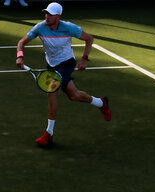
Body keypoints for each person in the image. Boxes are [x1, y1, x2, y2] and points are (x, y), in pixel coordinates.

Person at [15, 2, 111, 147]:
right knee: (74, 95)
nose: (47, 16)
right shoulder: (40, 27)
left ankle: (49, 134)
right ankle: (101, 103)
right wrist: (20, 56)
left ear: (58, 16)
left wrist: (84, 59)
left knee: (52, 91)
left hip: (67, 63)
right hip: (52, 65)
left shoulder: (69, 28)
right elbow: (21, 42)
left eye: (51, 14)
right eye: (46, 13)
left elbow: (89, 38)